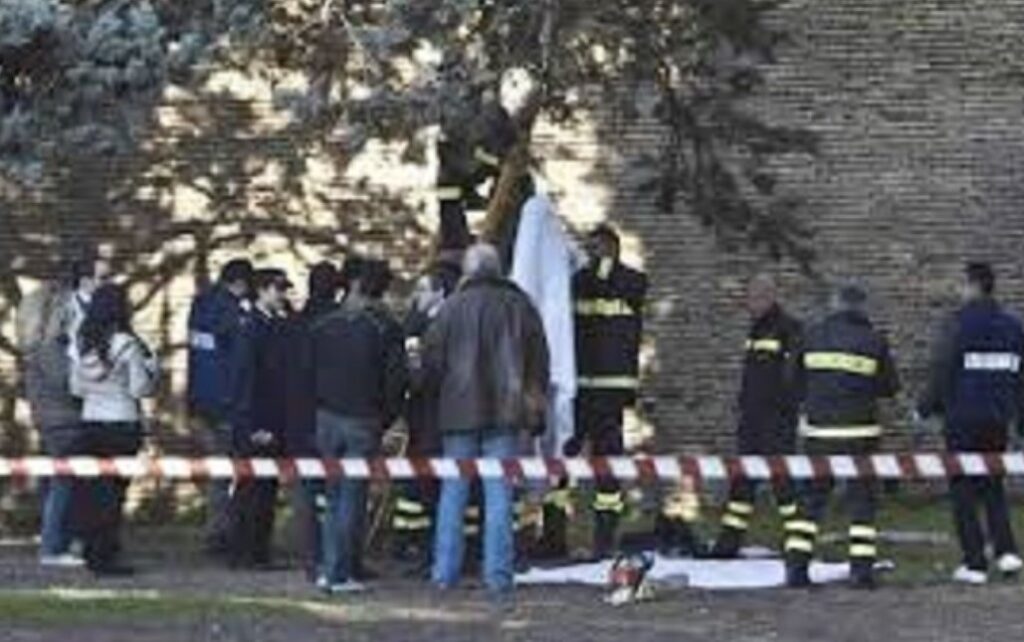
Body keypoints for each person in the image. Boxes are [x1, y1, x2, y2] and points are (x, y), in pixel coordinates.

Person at [424, 243, 550, 600]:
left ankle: (443, 573)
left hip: (458, 413)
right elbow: (539, 360)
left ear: (468, 271)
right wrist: (534, 406)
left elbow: (432, 362)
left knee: (454, 494)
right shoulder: (520, 306)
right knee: (499, 496)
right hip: (505, 413)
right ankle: (498, 576)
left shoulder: (451, 308)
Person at [784, 284, 899, 589]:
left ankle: (796, 569)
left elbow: (791, 381)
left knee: (810, 502)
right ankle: (861, 571)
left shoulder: (810, 336)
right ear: (861, 307)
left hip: (819, 433)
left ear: (834, 305)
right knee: (862, 502)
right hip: (862, 434)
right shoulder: (874, 341)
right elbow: (890, 387)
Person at [543, 224, 647, 560]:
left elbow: (613, 283)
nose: (593, 255)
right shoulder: (579, 282)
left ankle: (605, 538)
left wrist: (602, 261)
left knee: (608, 468)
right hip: (578, 389)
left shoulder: (632, 281)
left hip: (611, 393)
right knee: (562, 464)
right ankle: (554, 535)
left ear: (614, 250)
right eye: (592, 249)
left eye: (599, 249)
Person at [917, 263, 1024, 584]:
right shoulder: (1013, 327)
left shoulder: (957, 324)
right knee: (992, 486)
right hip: (997, 419)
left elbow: (943, 369)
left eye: (962, 285)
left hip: (962, 420)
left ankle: (975, 564)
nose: (958, 291)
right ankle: (1006, 554)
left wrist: (925, 408)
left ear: (974, 286)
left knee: (963, 490)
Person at [310, 258, 408, 594]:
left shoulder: (322, 326)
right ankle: (342, 571)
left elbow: (305, 374)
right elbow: (397, 382)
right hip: (363, 419)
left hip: (325, 417)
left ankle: (327, 566)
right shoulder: (385, 329)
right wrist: (385, 419)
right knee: (352, 497)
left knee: (331, 496)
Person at [710, 274, 803, 559]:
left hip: (776, 421)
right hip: (751, 419)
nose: (751, 303)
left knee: (783, 483)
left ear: (771, 296)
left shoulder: (789, 328)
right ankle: (728, 544)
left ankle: (798, 543)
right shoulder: (757, 329)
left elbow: (794, 377)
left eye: (756, 297)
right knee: (742, 481)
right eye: (750, 298)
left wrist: (785, 409)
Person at [70, 284, 158, 575]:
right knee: (113, 496)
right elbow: (139, 387)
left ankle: (91, 552)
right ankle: (107, 557)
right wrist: (152, 369)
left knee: (92, 494)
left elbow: (76, 388)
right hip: (121, 423)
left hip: (90, 421)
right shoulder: (127, 344)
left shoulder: (81, 342)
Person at [390, 262, 460, 569]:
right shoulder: (420, 325)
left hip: (439, 419)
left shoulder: (445, 327)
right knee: (419, 484)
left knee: (433, 485)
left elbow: (425, 375)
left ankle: (432, 550)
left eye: (422, 290)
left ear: (439, 293)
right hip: (421, 418)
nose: (415, 297)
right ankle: (416, 545)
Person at [226, 268, 292, 570]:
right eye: (278, 289)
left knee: (264, 490)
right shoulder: (251, 327)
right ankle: (246, 551)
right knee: (252, 491)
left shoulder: (271, 324)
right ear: (263, 291)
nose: (283, 296)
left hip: (270, 418)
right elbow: (245, 379)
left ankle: (256, 550)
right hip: (256, 422)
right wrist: (253, 426)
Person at [186, 258, 253, 555]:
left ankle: (216, 531)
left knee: (218, 472)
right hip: (227, 403)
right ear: (240, 284)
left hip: (201, 401)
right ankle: (227, 534)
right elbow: (239, 363)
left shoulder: (200, 306)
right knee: (235, 471)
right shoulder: (233, 313)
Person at [17, 283, 84, 567]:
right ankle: (53, 547)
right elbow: (70, 384)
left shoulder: (38, 349)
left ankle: (53, 539)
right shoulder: (50, 349)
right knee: (63, 485)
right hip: (63, 422)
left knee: (53, 483)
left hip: (50, 420)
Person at [286, 260, 341, 582]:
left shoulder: (295, 323)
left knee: (306, 491)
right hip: (330, 411)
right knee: (337, 490)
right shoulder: (339, 323)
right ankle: (337, 558)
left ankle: (310, 556)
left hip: (298, 415)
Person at [65, 252, 112, 359]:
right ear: (85, 281)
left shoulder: (113, 307)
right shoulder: (63, 307)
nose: (109, 283)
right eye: (103, 278)